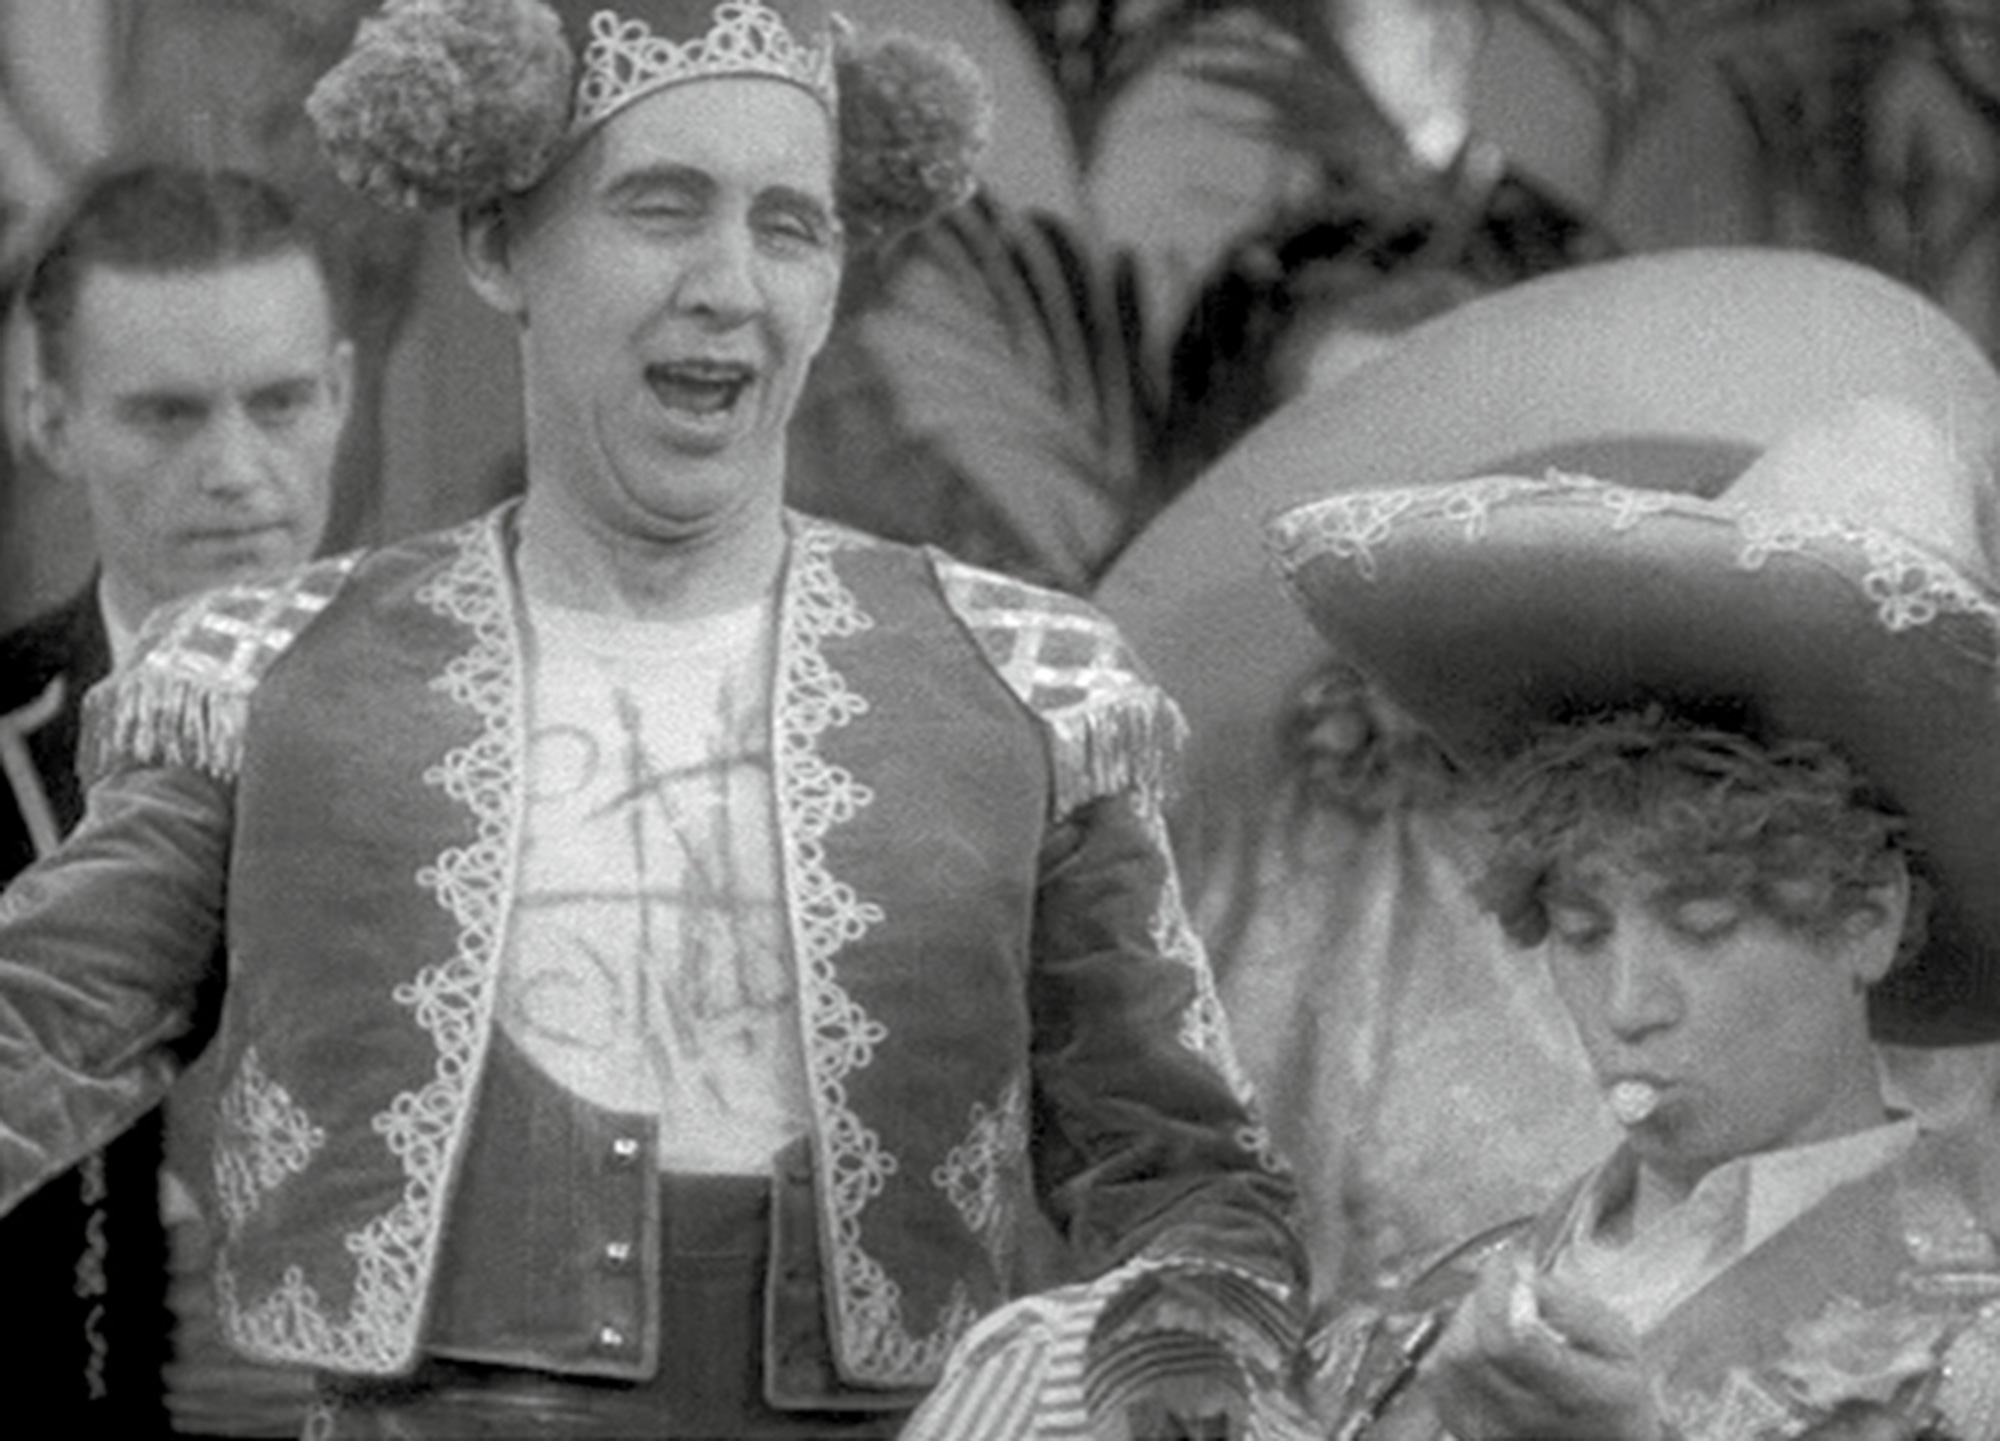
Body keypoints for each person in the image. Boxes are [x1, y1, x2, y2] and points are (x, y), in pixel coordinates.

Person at [0, 3, 1307, 1438]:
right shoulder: (278, 674)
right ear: (501, 247)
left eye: (790, 226)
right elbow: (40, 1028)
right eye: (661, 207)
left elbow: (1189, 1174)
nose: (728, 282)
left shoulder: (1021, 684)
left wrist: (1189, 1363)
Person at [1266, 396, 2000, 1438]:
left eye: (1700, 922)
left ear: (1867, 918)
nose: (1628, 1005)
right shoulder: (1440, 1313)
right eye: (1578, 928)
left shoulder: (1974, 1350)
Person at [1, 160, 352, 1438]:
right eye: (165, 414)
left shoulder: (508, 721)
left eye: (280, 401)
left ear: (345, 393)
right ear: (50, 421)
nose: (236, 468)